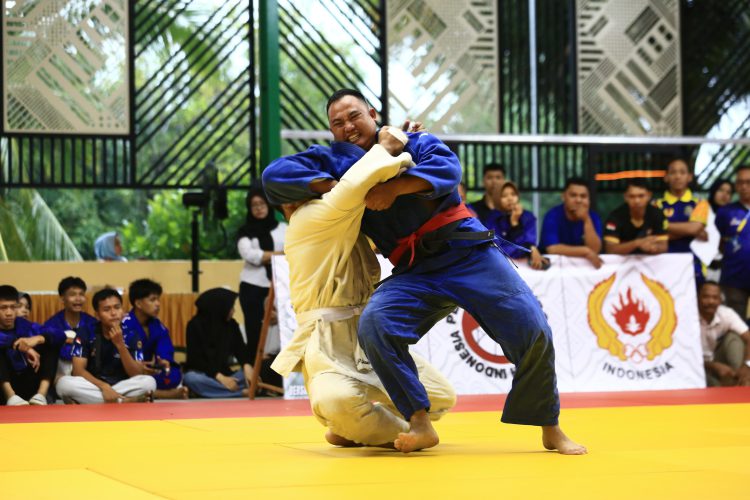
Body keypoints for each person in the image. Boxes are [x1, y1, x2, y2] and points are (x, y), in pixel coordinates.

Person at [263, 88, 585, 455]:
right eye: (337, 122)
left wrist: (395, 188)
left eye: (354, 116)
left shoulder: (411, 141)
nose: (347, 126)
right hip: (414, 269)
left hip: (468, 254)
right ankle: (418, 421)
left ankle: (550, 426)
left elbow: (448, 169)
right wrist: (334, 184)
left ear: (372, 114)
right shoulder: (331, 160)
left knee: (533, 326)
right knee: (376, 324)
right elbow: (275, 176)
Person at [268, 125, 456, 447]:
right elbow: (355, 185)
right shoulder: (309, 219)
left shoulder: (344, 221)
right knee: (336, 402)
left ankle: (356, 427)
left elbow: (366, 194)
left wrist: (405, 144)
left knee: (440, 396)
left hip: (366, 335)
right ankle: (378, 427)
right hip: (327, 343)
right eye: (318, 184)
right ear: (288, 203)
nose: (327, 187)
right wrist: (392, 146)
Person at [56, 288, 155, 404]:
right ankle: (123, 401)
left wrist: (120, 345)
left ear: (122, 310)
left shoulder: (132, 334)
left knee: (149, 382)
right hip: (94, 385)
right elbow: (78, 370)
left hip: (122, 384)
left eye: (117, 307)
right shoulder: (85, 332)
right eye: (107, 309)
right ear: (97, 315)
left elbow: (136, 373)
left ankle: (100, 400)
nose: (113, 313)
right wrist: (104, 387)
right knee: (64, 384)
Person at [237, 187, 287, 362]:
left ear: (268, 204)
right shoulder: (245, 231)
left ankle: (277, 371)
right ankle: (254, 369)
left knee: (282, 327)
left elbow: (292, 251)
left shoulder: (283, 228)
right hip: (252, 286)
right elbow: (250, 255)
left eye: (261, 203)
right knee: (254, 330)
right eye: (254, 205)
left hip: (280, 284)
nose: (258, 208)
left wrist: (266, 256)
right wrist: (279, 255)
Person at [0, 285, 69, 405]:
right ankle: (10, 396)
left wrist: (38, 339)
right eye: (3, 308)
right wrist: (22, 347)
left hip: (28, 381)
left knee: (50, 342)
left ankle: (41, 395)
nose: (9, 313)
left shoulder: (24, 324)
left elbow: (61, 335)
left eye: (13, 307)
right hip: (4, 386)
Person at [182, 288, 253, 398]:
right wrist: (220, 378)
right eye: (231, 307)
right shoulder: (194, 325)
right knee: (191, 378)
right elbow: (195, 360)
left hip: (227, 374)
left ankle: (213, 391)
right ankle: (239, 393)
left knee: (253, 373)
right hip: (205, 374)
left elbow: (241, 350)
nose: (233, 311)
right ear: (219, 307)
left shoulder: (231, 325)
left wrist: (247, 366)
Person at [123, 279, 186, 399]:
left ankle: (148, 392)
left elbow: (165, 349)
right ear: (138, 303)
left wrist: (163, 362)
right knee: (132, 379)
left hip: (149, 371)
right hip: (129, 371)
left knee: (174, 374)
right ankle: (165, 394)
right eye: (152, 300)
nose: (158, 304)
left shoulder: (157, 325)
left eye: (158, 299)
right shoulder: (125, 324)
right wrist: (138, 367)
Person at [654, 158, 709, 284]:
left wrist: (663, 226)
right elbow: (653, 236)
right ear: (666, 177)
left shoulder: (700, 203)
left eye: (682, 172)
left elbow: (694, 228)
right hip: (664, 266)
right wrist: (690, 231)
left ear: (689, 177)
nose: (677, 176)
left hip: (694, 265)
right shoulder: (656, 205)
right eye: (673, 172)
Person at [540, 177, 603, 268]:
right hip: (554, 270)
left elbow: (595, 250)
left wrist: (586, 220)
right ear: (563, 196)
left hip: (584, 270)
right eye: (573, 195)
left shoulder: (593, 217)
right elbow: (552, 249)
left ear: (589, 199)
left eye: (583, 196)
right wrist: (586, 251)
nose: (578, 200)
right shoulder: (553, 215)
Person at [486, 181, 548, 270]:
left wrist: (515, 223)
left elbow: (530, 241)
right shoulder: (492, 218)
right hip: (501, 265)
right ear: (496, 198)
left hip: (525, 265)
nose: (510, 198)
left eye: (513, 194)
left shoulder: (528, 217)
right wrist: (530, 248)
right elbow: (498, 247)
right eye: (504, 196)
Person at [44, 277, 97, 379]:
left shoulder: (92, 323)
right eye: (73, 295)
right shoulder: (52, 324)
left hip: (87, 372)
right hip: (60, 374)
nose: (78, 298)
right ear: (62, 299)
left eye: (81, 294)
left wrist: (70, 342)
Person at [698, 281, 750, 386]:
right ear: (698, 298)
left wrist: (747, 365)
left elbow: (749, 338)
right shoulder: (688, 317)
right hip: (696, 365)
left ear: (720, 300)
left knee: (733, 338)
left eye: (715, 297)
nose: (711, 301)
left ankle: (740, 378)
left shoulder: (726, 313)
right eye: (706, 297)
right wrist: (714, 366)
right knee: (715, 386)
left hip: (718, 358)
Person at [715, 165, 750, 321]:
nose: (744, 186)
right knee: (734, 325)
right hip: (733, 279)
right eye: (740, 182)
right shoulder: (725, 212)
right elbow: (718, 242)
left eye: (748, 182)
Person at [604, 179, 668, 255]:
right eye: (632, 196)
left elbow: (663, 246)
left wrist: (653, 248)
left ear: (649, 195)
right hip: (622, 261)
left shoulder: (657, 214)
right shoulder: (615, 217)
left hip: (649, 259)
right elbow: (610, 249)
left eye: (641, 196)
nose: (637, 201)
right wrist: (637, 243)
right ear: (625, 197)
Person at [706, 178, 734, 281]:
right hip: (702, 265)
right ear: (713, 191)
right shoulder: (702, 211)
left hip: (725, 267)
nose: (724, 195)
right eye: (721, 190)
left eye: (728, 192)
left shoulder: (735, 217)